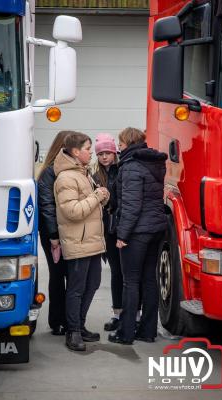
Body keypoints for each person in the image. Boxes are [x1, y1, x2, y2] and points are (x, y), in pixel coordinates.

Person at [108, 127, 167, 345]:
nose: (119, 146)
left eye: (120, 142)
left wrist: (122, 235)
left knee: (130, 281)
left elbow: (132, 206)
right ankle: (147, 331)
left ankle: (126, 333)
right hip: (155, 230)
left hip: (137, 232)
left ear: (128, 142)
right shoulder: (153, 162)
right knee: (149, 280)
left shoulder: (131, 166)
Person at [54, 132, 110, 351]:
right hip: (78, 242)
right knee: (77, 288)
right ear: (76, 152)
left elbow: (88, 206)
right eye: (88, 148)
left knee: (93, 283)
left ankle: (80, 324)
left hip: (92, 241)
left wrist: (101, 197)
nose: (91, 152)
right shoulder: (66, 178)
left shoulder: (83, 173)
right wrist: (95, 197)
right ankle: (73, 331)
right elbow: (72, 211)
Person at [37, 131, 71, 336]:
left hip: (62, 231)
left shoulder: (63, 170)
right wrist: (53, 235)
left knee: (65, 275)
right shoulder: (50, 172)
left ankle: (64, 319)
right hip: (53, 233)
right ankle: (57, 321)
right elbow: (47, 206)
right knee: (58, 275)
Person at [93, 133, 122, 331]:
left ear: (115, 153)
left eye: (108, 153)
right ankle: (117, 314)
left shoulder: (122, 171)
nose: (104, 157)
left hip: (121, 229)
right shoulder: (95, 176)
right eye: (101, 153)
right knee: (115, 273)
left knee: (125, 273)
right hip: (106, 231)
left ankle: (132, 314)